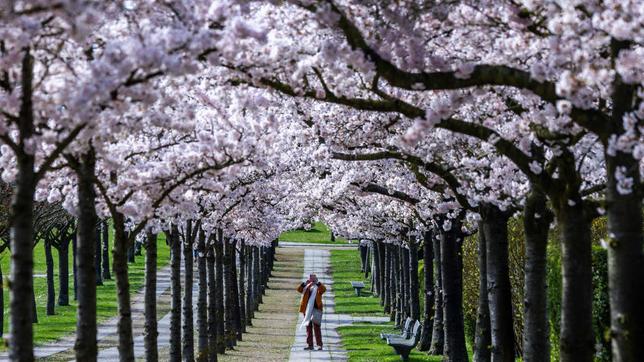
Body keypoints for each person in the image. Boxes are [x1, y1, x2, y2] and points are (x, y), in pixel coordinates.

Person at [297, 273, 327, 351]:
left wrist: (317, 283)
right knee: (308, 327)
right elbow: (299, 290)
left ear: (316, 278)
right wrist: (304, 284)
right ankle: (310, 345)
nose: (312, 280)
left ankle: (319, 345)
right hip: (307, 310)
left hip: (316, 310)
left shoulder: (318, 286)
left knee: (317, 327)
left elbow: (323, 290)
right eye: (311, 278)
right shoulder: (307, 286)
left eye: (314, 278)